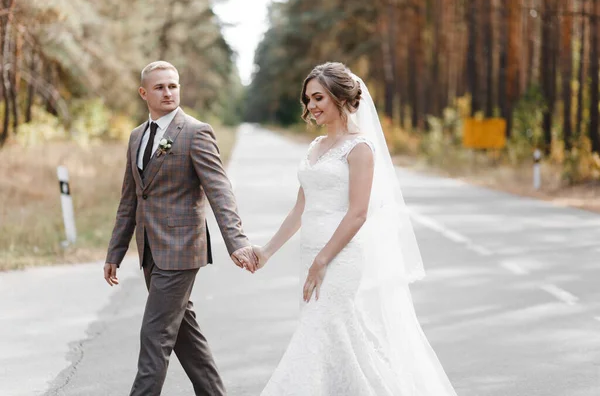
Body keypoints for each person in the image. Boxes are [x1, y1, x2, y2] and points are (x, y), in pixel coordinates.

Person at [253, 62, 457, 395]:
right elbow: (300, 209)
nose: (311, 106)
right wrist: (266, 252)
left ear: (338, 96)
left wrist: (322, 261)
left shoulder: (360, 148)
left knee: (318, 333)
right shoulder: (315, 147)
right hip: (310, 256)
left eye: (318, 97)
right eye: (307, 100)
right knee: (337, 337)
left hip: (339, 258)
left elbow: (358, 213)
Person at [103, 60, 257, 396]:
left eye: (173, 85)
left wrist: (237, 241)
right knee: (185, 334)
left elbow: (219, 191)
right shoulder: (136, 137)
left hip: (183, 249)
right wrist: (115, 251)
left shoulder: (195, 132)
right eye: (160, 87)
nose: (168, 92)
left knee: (155, 334)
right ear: (144, 93)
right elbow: (130, 199)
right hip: (150, 252)